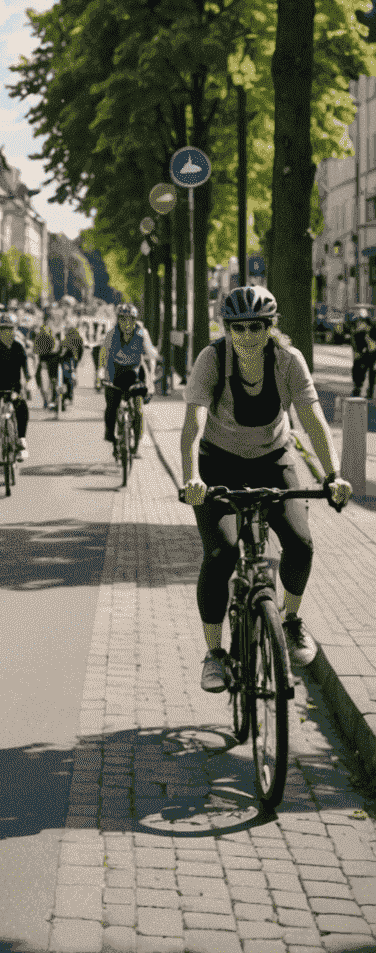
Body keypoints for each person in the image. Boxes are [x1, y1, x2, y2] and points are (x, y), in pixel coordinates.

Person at [180, 286, 352, 690]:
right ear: (227, 329)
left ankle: (290, 621)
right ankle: (214, 653)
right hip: (217, 464)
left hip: (274, 461)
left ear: (270, 327)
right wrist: (192, 477)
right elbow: (193, 424)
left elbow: (312, 419)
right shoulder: (213, 359)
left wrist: (332, 475)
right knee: (221, 552)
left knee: (300, 542)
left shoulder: (287, 362)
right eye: (236, 328)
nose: (246, 336)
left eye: (255, 326)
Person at [101, 303, 157, 448]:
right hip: (115, 372)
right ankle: (109, 433)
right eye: (122, 319)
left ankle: (137, 443)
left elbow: (150, 353)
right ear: (118, 320)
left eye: (130, 319)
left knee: (138, 409)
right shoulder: (112, 334)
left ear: (135, 320)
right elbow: (104, 354)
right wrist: (100, 372)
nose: (127, 323)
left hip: (135, 373)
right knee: (111, 405)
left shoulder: (141, 333)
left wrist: (152, 371)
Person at [0, 311, 32, 459]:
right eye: (3, 328)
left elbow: (27, 370)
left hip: (15, 385)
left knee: (21, 407)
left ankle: (21, 438)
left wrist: (27, 385)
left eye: (10, 328)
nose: (6, 332)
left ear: (15, 329)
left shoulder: (19, 346)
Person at [31, 314, 61, 410]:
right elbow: (36, 350)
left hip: (52, 358)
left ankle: (53, 399)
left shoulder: (55, 332)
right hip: (45, 359)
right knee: (42, 379)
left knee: (52, 380)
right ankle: (47, 400)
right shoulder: (41, 333)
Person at [59, 318, 85, 404]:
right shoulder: (76, 337)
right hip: (72, 360)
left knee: (67, 378)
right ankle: (68, 396)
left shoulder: (71, 337)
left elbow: (77, 349)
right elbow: (81, 350)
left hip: (68, 360)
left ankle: (68, 396)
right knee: (69, 377)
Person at [352, 309, 375, 400]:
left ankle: (370, 391)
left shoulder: (373, 330)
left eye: (360, 321)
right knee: (357, 368)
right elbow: (355, 347)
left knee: (372, 371)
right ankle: (357, 388)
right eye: (358, 322)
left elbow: (373, 347)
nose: (359, 324)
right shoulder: (357, 333)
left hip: (373, 354)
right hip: (363, 355)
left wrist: (368, 338)